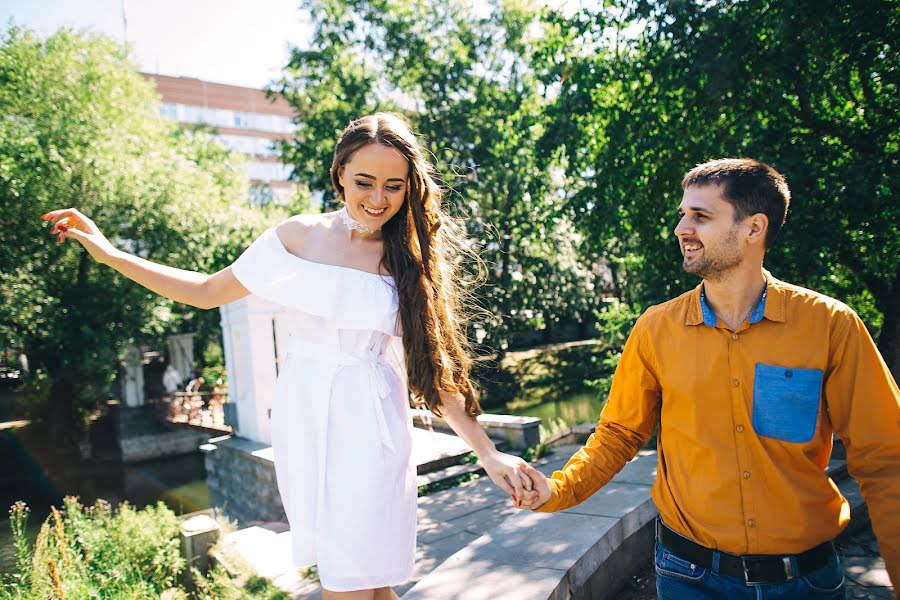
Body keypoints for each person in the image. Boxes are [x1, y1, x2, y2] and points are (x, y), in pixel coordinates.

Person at [41, 112, 533, 600]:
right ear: (340, 173)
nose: (378, 199)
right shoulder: (295, 238)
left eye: (394, 186)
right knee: (369, 583)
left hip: (371, 425)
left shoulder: (406, 258)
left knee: (350, 579)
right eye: (365, 182)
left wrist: (487, 452)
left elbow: (434, 367)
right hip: (304, 420)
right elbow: (207, 291)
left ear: (409, 189)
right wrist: (110, 253)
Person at [518, 158, 899, 599]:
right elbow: (619, 434)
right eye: (683, 214)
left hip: (806, 582)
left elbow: (883, 458)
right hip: (690, 578)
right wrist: (558, 489)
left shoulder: (830, 325)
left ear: (754, 228)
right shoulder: (655, 329)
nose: (682, 228)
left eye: (700, 216)